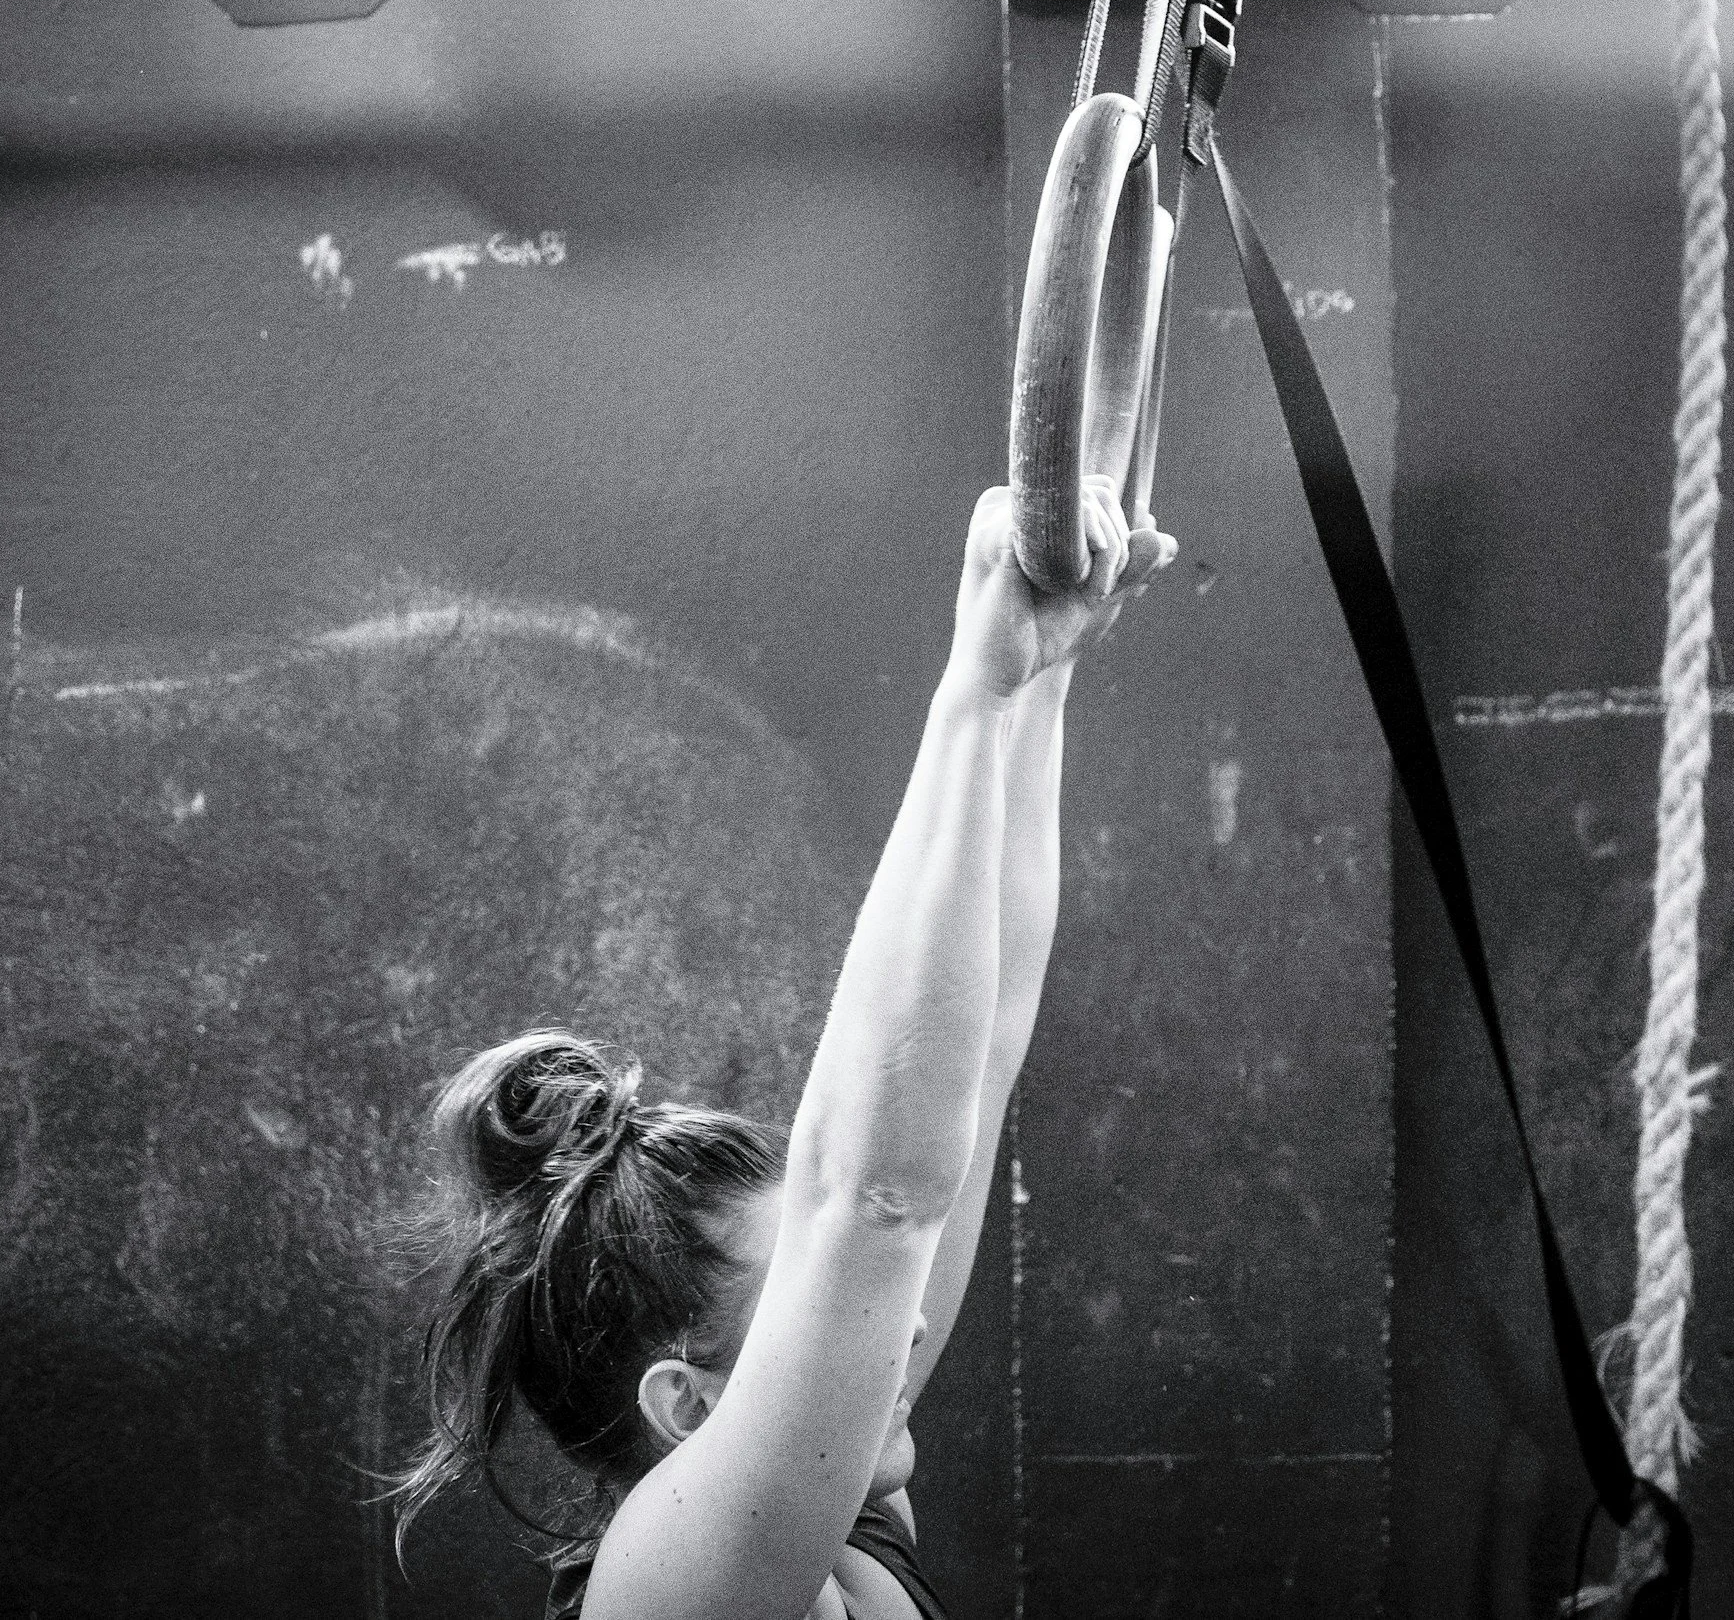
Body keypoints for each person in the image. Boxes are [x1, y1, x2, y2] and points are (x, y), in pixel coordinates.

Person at [389, 478, 1178, 1620]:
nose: (898, 1322)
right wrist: (971, 690)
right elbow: (871, 1200)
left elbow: (984, 1031)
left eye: (826, 1300)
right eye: (816, 1299)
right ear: (691, 1406)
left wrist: (1039, 674)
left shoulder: (845, 1512)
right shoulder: (665, 1586)